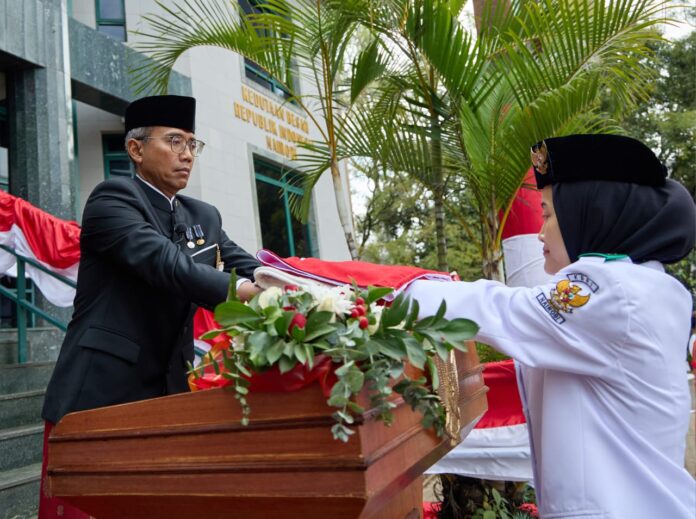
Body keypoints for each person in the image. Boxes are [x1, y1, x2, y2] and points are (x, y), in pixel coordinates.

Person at [405, 134, 696, 518]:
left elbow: (502, 311)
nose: (540, 232)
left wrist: (396, 290)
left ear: (591, 214)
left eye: (548, 214)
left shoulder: (612, 291)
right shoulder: (646, 286)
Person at [39, 95, 261, 518]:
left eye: (192, 144)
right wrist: (248, 292)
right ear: (135, 149)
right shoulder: (112, 200)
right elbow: (168, 266)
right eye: (174, 141)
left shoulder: (204, 215)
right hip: (99, 396)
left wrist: (304, 289)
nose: (187, 154)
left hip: (167, 396)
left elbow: (250, 265)